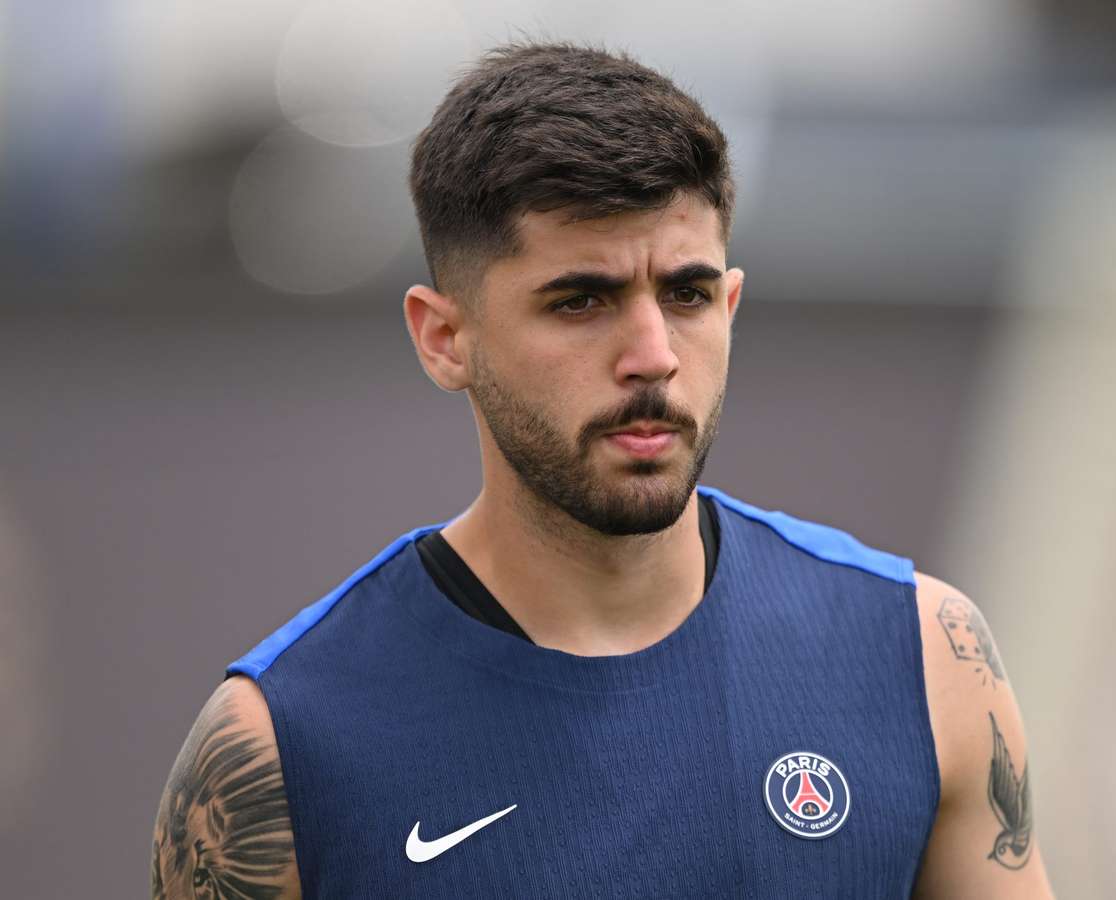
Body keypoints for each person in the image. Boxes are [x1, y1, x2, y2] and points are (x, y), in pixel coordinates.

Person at [151, 40, 1055, 899]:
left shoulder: (920, 658)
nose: (653, 355)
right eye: (582, 300)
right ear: (444, 338)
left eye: (688, 294)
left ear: (732, 304)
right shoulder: (282, 746)